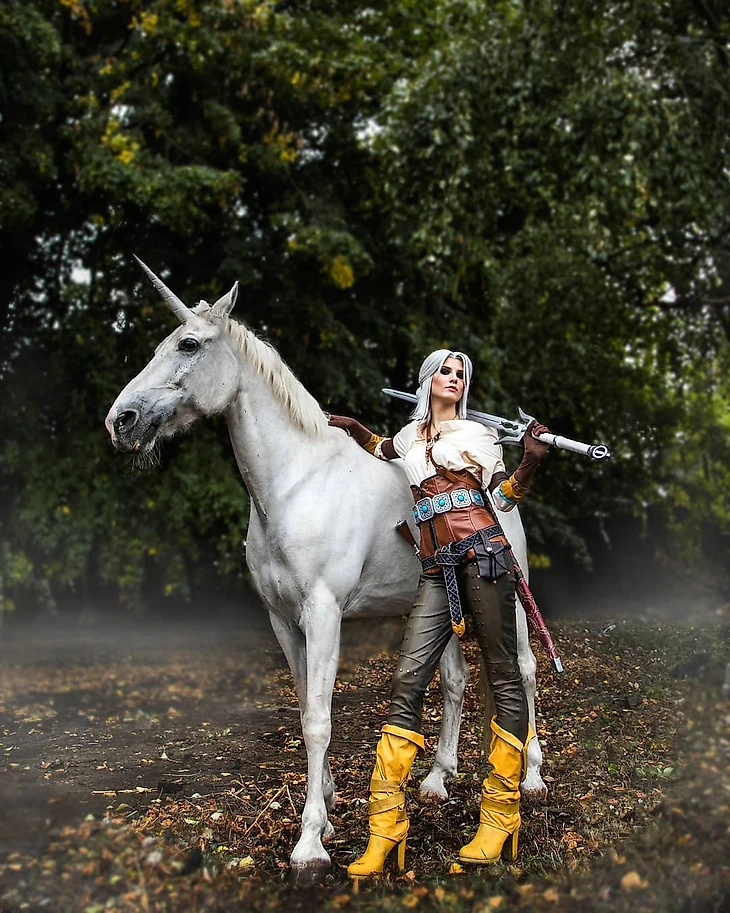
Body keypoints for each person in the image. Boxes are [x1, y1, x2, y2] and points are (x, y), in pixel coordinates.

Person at [328, 349, 550, 876]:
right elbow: (381, 447)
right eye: (445, 371)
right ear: (428, 379)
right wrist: (354, 427)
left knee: (502, 675)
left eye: (461, 374)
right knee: (407, 679)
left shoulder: (480, 435)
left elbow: (504, 498)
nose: (454, 379)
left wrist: (529, 461)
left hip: (485, 554)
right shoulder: (409, 437)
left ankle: (500, 819)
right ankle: (386, 830)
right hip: (435, 567)